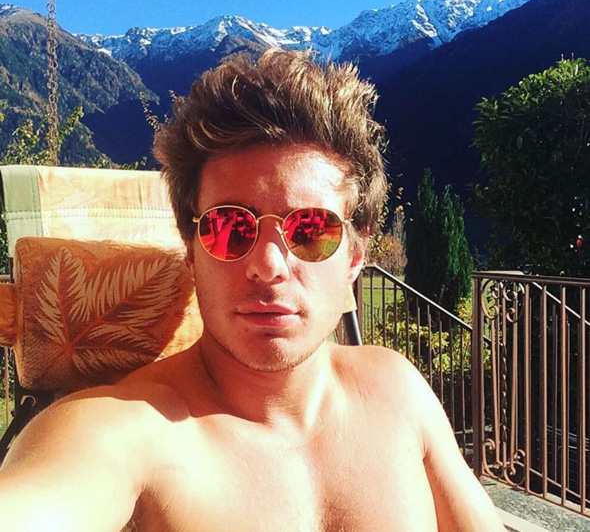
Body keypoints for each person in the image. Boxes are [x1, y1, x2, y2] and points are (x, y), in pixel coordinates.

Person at [0, 49, 505, 531]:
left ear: (354, 256)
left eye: (311, 230)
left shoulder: (396, 389)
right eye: (229, 227)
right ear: (191, 249)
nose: (267, 266)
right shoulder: (131, 430)